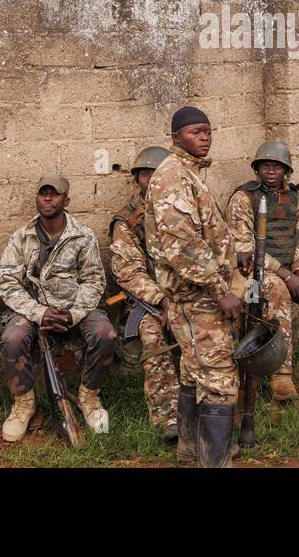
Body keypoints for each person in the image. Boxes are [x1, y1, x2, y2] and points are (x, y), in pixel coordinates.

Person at [145, 106, 243, 467]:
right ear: (175, 138)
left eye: (208, 131)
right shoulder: (172, 176)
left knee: (192, 370)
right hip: (196, 297)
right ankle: (215, 462)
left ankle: (190, 450)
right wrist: (221, 290)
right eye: (195, 132)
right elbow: (182, 246)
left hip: (199, 294)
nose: (205, 137)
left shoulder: (189, 173)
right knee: (219, 378)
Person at [0, 174, 114, 442]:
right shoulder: (22, 238)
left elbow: (94, 281)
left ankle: (89, 397)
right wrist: (39, 313)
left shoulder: (82, 236)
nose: (48, 198)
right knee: (12, 337)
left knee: (105, 333)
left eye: (55, 193)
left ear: (67, 200)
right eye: (43, 193)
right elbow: (6, 284)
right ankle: (23, 403)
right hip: (33, 310)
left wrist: (74, 314)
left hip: (75, 308)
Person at [228, 140, 299, 401]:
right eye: (266, 165)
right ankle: (281, 374)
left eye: (277, 166)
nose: (271, 170)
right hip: (255, 274)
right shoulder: (244, 198)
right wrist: (286, 275)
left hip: (291, 270)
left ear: (286, 171)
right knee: (279, 293)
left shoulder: (293, 197)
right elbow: (243, 247)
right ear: (257, 169)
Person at [108, 146, 180, 440]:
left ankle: (217, 404)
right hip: (148, 302)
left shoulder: (185, 210)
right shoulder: (127, 221)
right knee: (152, 336)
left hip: (185, 295)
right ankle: (169, 417)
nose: (150, 180)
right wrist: (162, 301)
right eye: (144, 175)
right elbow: (128, 272)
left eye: (156, 174)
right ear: (137, 179)